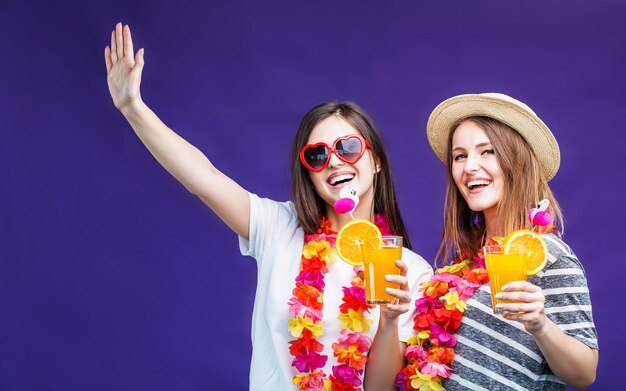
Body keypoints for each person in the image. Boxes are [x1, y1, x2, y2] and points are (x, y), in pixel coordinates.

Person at [104, 23, 433, 390]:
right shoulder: (282, 228)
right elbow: (204, 178)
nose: (335, 162)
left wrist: (389, 321)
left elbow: (379, 389)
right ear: (308, 173)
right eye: (318, 155)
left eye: (348, 147)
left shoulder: (410, 272)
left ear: (375, 161)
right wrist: (133, 108)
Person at [397, 93, 598, 390]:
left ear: (517, 160)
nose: (469, 167)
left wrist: (541, 325)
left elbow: (584, 374)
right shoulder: (462, 262)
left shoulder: (546, 256)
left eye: (487, 151)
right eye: (460, 156)